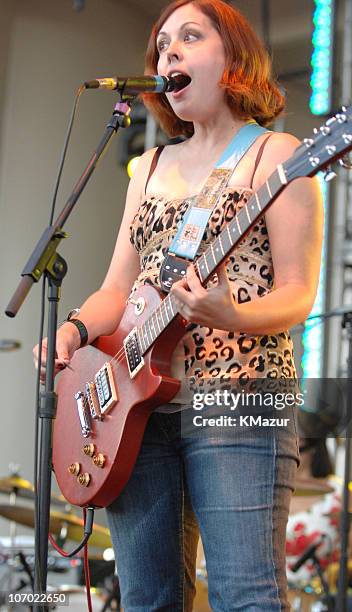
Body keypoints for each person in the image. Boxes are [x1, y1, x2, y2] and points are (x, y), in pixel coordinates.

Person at [34, 1, 323, 609]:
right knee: (148, 598)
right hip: (137, 403)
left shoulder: (277, 156)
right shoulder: (150, 166)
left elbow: (299, 293)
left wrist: (233, 315)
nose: (169, 52)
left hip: (239, 392)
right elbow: (118, 287)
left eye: (190, 37)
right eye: (163, 43)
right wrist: (76, 329)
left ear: (235, 59)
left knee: (247, 596)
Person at [286, 432, 352, 606]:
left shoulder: (340, 493)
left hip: (317, 598)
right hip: (267, 596)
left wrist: (336, 571)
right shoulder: (266, 490)